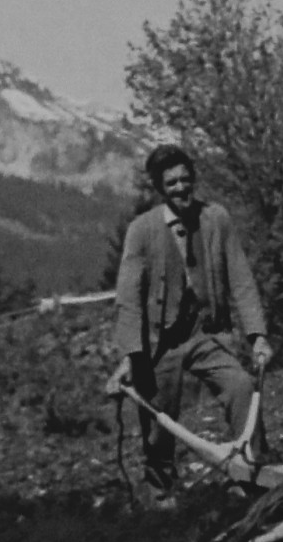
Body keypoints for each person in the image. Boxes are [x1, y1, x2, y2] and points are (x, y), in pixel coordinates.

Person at [106, 145, 273, 508]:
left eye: (186, 179)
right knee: (158, 419)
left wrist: (257, 335)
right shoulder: (142, 231)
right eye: (172, 183)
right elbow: (129, 298)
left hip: (204, 333)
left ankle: (251, 471)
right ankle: (162, 489)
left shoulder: (216, 219)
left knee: (242, 386)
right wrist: (131, 357)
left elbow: (241, 279)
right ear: (159, 188)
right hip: (158, 342)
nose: (182, 188)